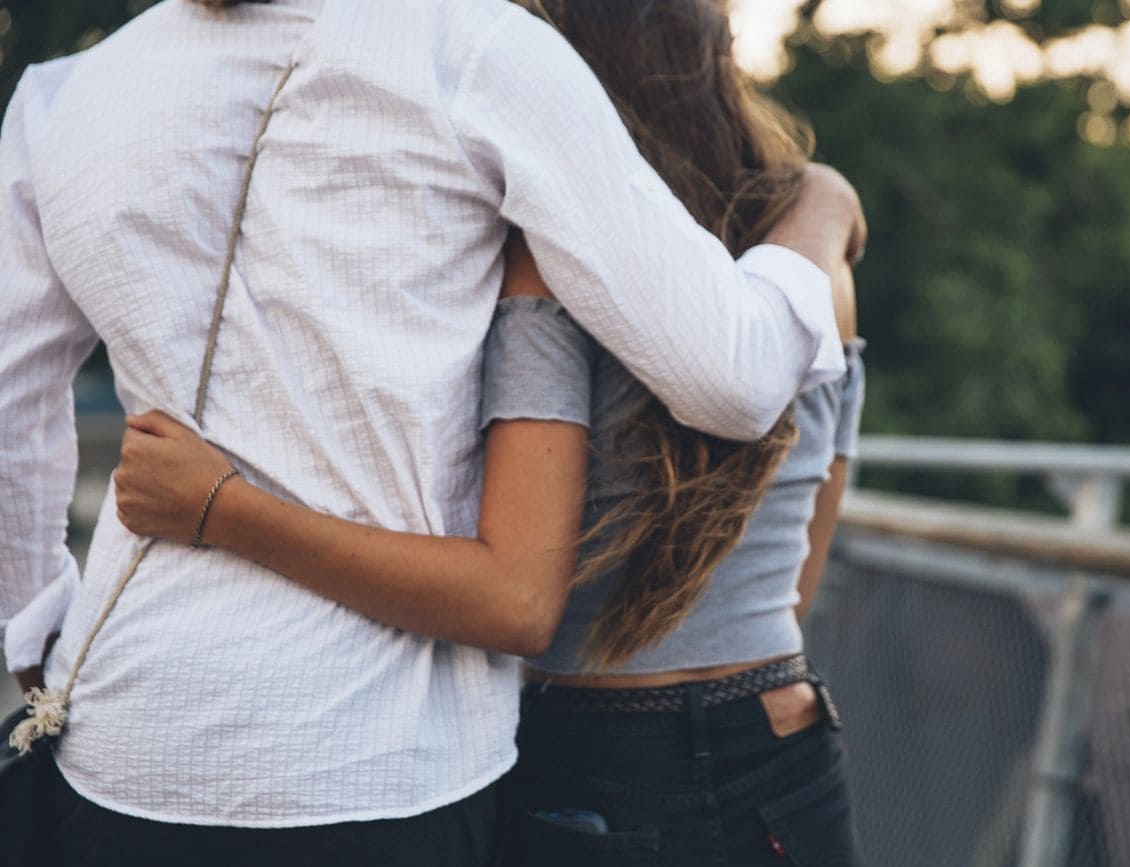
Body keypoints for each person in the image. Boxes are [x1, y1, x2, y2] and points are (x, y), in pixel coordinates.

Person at [0, 0, 864, 863]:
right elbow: (734, 380)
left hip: (121, 733)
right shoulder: (475, 48)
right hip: (383, 757)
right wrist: (822, 202)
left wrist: (38, 644)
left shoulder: (57, 99)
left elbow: (12, 418)